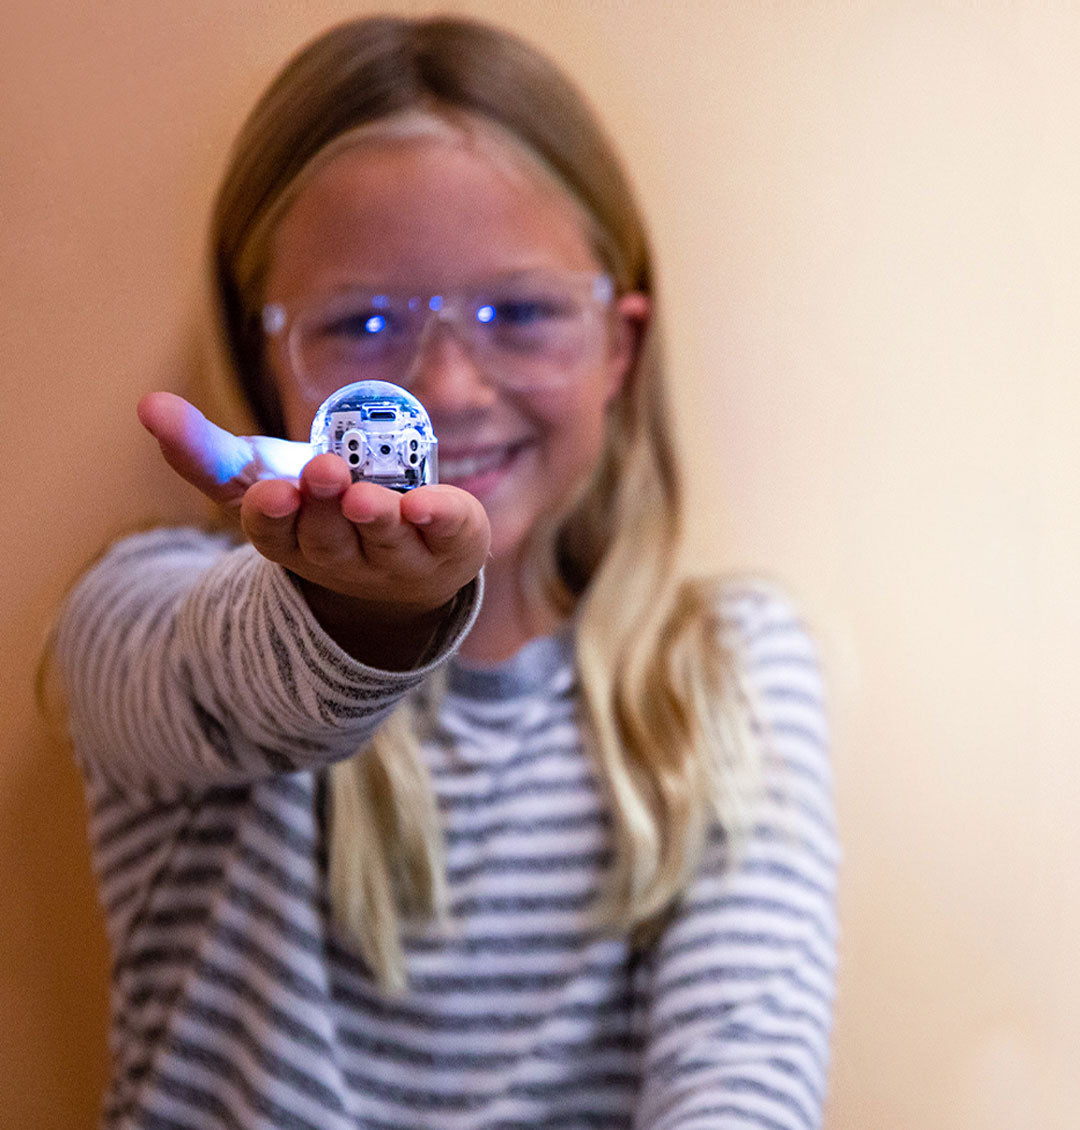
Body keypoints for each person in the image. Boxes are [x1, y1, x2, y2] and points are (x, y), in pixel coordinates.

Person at [54, 14, 838, 1129]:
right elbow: (221, 680)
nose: (448, 392)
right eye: (365, 321)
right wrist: (357, 618)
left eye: (517, 312)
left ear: (617, 347)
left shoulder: (726, 673)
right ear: (263, 352)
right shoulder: (142, 618)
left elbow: (744, 1084)